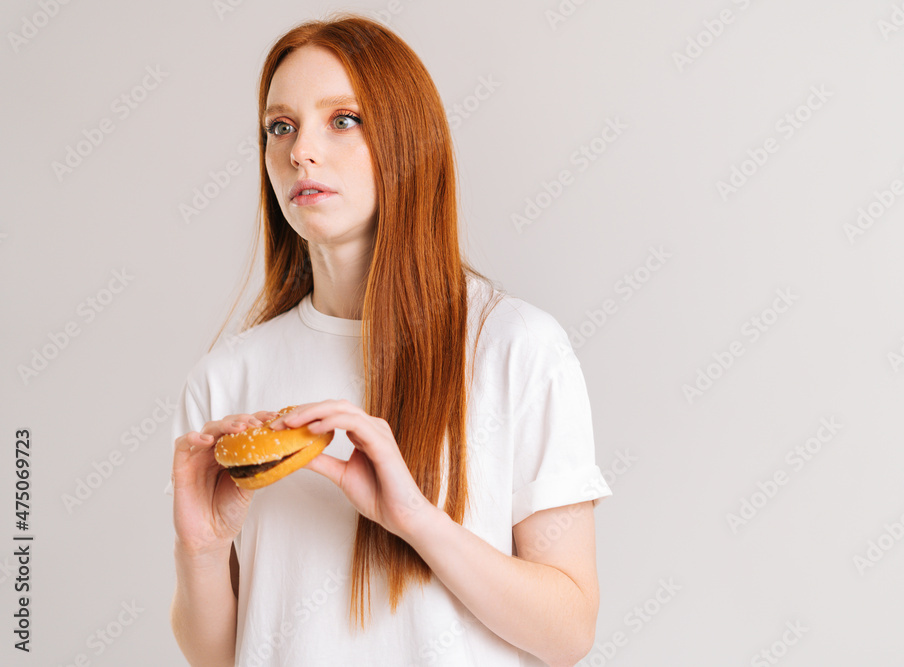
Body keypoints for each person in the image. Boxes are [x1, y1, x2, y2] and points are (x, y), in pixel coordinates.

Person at [167, 12, 612, 667]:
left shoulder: (518, 348)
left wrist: (415, 519)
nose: (300, 151)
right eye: (280, 127)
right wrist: (201, 546)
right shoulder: (225, 378)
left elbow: (569, 631)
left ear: (409, 140)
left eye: (342, 119)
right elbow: (217, 658)